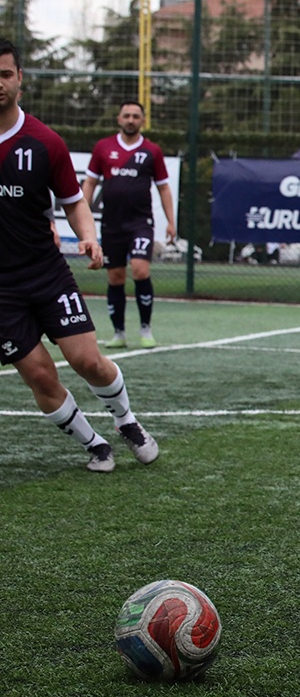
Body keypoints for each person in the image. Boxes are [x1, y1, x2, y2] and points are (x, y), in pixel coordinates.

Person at [0, 39, 159, 472]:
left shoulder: (45, 142)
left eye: (5, 74)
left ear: (19, 79)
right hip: (2, 291)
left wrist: (88, 237)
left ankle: (127, 421)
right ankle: (94, 444)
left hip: (45, 272)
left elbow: (74, 201)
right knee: (39, 374)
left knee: (87, 360)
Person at [81, 100, 176, 349]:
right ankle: (119, 333)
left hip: (140, 223)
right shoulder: (103, 147)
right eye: (127, 116)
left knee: (140, 269)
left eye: (135, 116)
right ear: (119, 119)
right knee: (115, 276)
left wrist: (171, 221)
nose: (131, 120)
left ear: (143, 120)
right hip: (112, 224)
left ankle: (145, 328)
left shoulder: (152, 151)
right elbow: (90, 182)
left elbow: (164, 188)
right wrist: (82, 213)